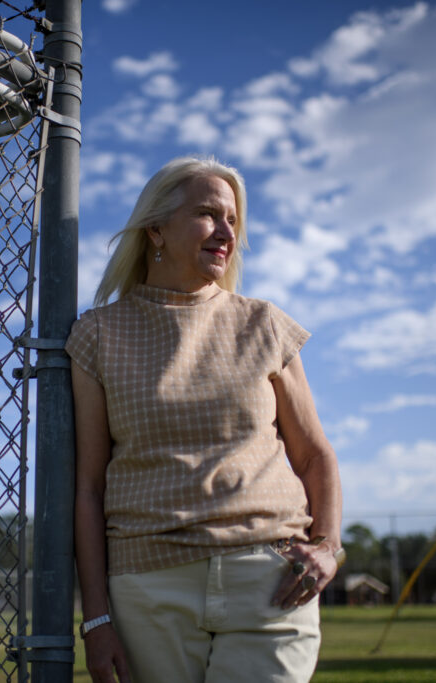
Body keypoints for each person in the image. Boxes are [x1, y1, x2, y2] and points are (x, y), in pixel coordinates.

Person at [65, 156, 344, 683]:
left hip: (271, 582)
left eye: (233, 220)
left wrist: (328, 547)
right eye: (209, 214)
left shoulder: (264, 324)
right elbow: (88, 488)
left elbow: (314, 454)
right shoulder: (98, 335)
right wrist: (97, 619)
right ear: (156, 229)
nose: (226, 232)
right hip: (148, 588)